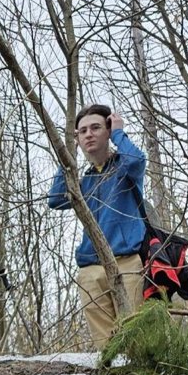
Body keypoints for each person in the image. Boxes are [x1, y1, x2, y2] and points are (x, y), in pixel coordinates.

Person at [48, 104, 147, 349]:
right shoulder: (85, 181)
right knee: (107, 345)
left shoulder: (124, 169)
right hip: (91, 268)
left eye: (96, 128)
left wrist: (119, 134)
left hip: (127, 262)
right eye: (82, 131)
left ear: (108, 131)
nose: (89, 134)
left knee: (135, 334)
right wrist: (66, 156)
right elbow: (56, 199)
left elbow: (137, 160)